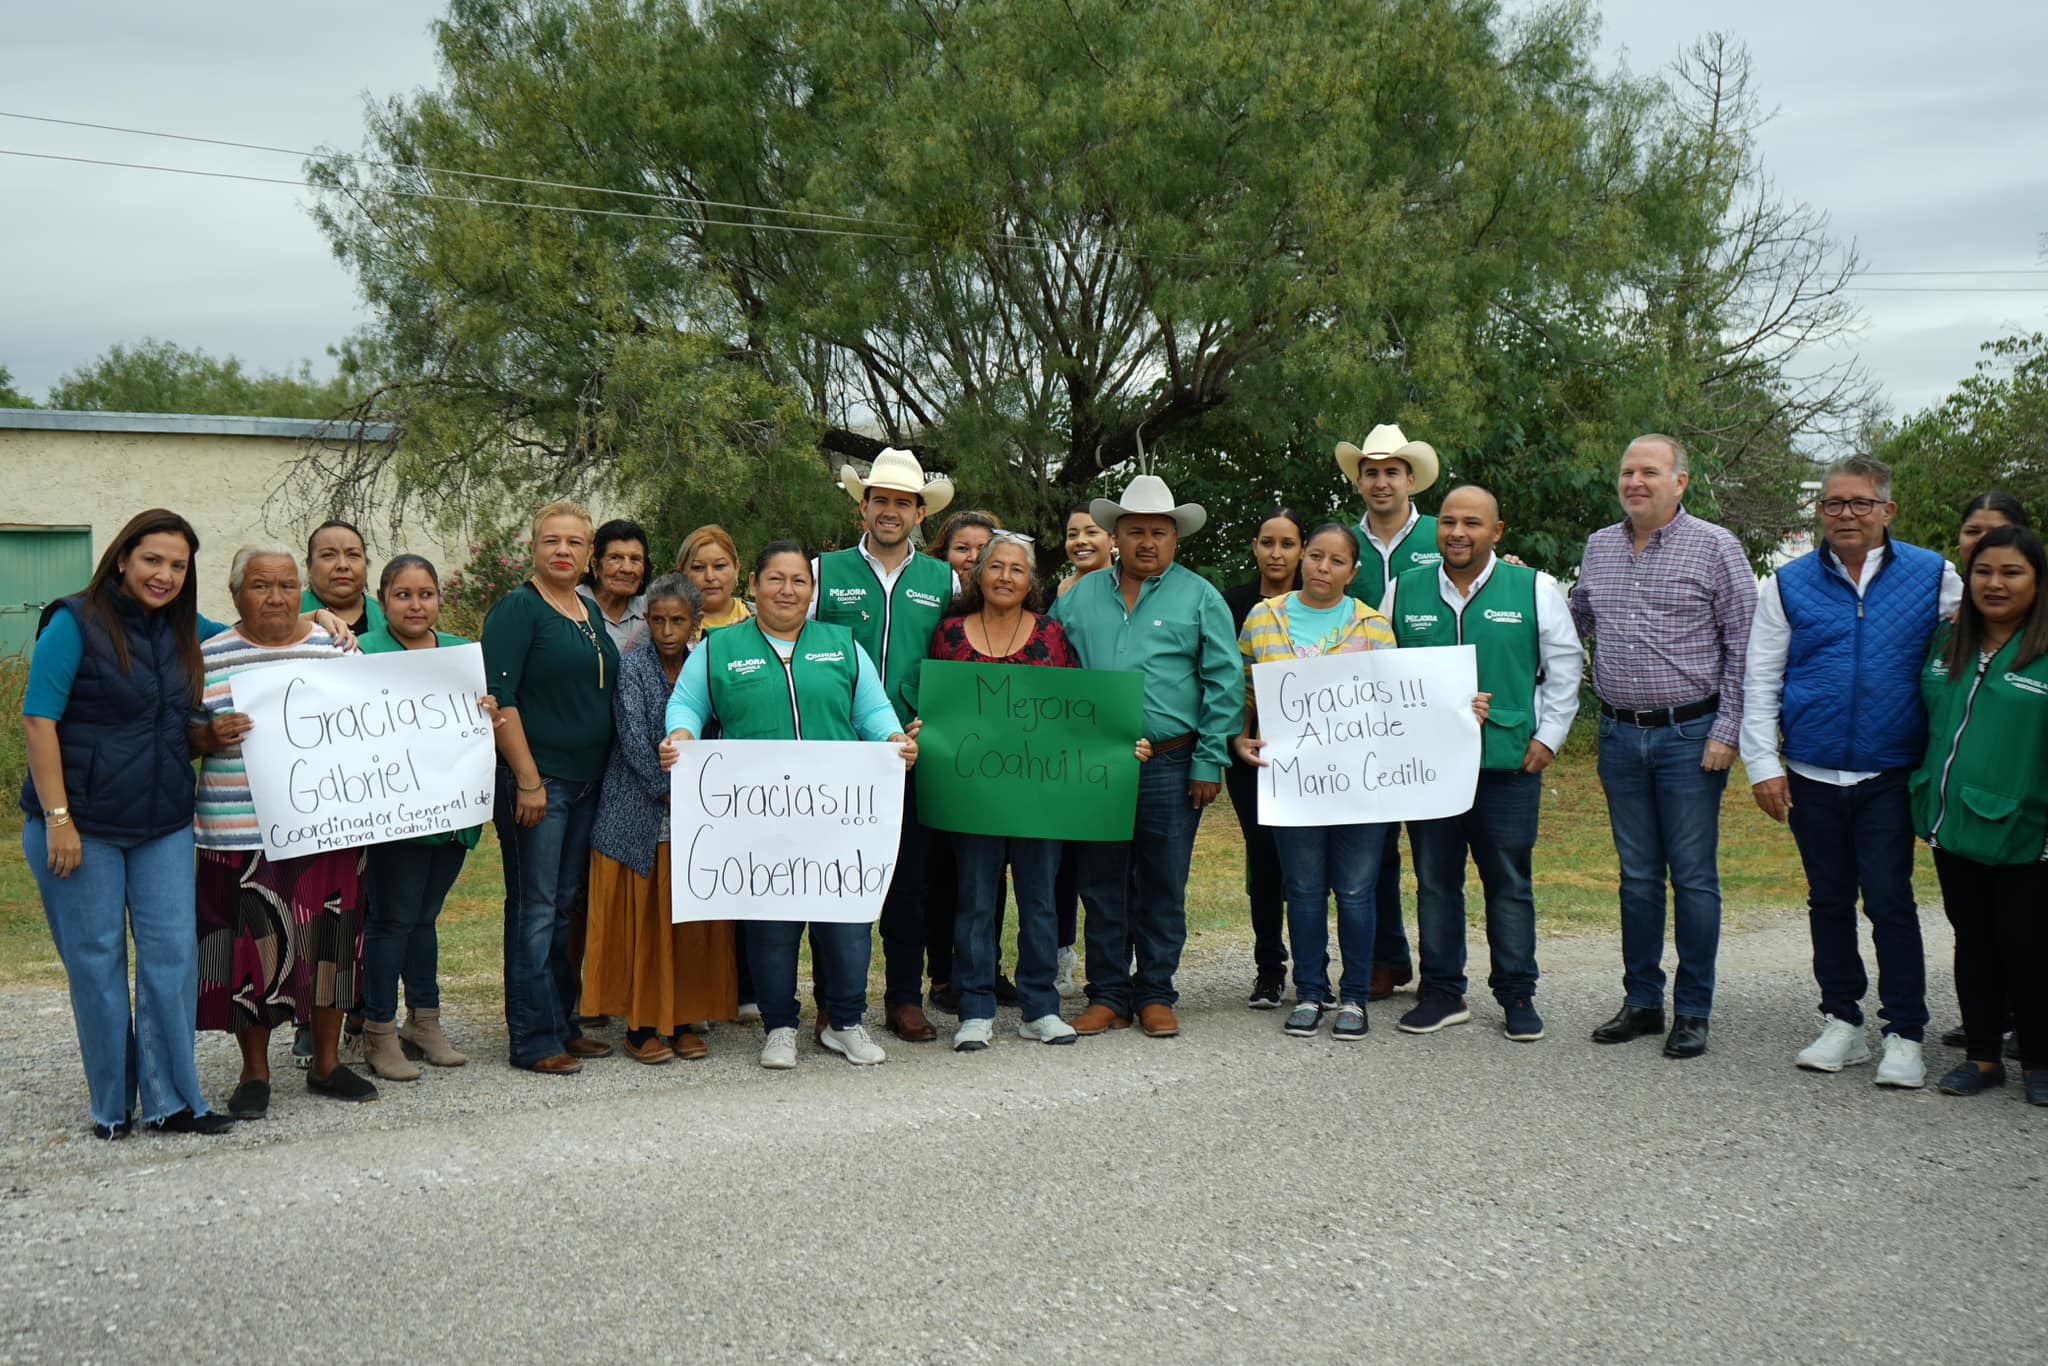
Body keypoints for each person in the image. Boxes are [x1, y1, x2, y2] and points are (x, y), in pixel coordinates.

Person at [1740, 457, 1959, 1089]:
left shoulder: (1934, 575)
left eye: (1861, 503)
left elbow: (1981, 643)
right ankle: (1843, 1021)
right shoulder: (1787, 584)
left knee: (1890, 902)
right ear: (1820, 512)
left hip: (1891, 772)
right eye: (1834, 504)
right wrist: (1763, 765)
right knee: (1828, 900)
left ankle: (1905, 1033)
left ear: (1887, 511)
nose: (1846, 515)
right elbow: (1761, 678)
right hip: (1811, 771)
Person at [660, 543, 919, 1070]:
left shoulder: (842, 644)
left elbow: (871, 708)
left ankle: (845, 1022)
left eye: (799, 580)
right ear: (753, 586)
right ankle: (779, 1025)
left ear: (812, 589)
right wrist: (680, 734)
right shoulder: (719, 647)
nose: (787, 590)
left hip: (836, 814)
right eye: (775, 579)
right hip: (760, 818)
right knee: (772, 928)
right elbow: (688, 703)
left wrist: (894, 738)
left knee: (846, 923)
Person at [18, 510, 234, 1139]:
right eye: (152, 560)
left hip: (163, 822)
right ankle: (112, 1107)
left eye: (178, 565)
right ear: (121, 559)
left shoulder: (187, 630)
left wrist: (320, 619)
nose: (164, 575)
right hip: (80, 826)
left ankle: (173, 1103)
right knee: (98, 961)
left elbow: (257, 635)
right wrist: (59, 819)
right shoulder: (73, 622)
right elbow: (39, 722)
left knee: (172, 960)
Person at [1571, 434, 1756, 1060]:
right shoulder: (1599, 547)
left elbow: (1745, 645)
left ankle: (1694, 1008)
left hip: (1689, 738)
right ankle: (1643, 1001)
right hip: (1620, 735)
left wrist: (1728, 731)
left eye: (1650, 471)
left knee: (1695, 878)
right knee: (1637, 878)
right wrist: (1526, 592)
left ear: (1680, 481)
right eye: (1627, 471)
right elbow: (1573, 625)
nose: (1635, 482)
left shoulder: (1716, 547)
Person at [929, 531, 1152, 1050]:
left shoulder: (1051, 635)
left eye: (1017, 569)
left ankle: (1039, 1007)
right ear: (979, 574)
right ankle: (976, 1009)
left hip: (1041, 800)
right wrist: (925, 730)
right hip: (974, 799)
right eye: (996, 566)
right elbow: (938, 709)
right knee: (975, 902)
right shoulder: (950, 635)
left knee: (1041, 902)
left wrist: (1121, 747)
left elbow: (1077, 714)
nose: (1006, 577)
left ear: (1031, 581)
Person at [1386, 487, 1582, 1041]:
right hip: (1430, 769)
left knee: (1509, 883)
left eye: (1472, 522)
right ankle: (1444, 992)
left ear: (1496, 532)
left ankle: (1517, 994)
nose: (1457, 532)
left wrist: (1549, 738)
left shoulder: (1534, 588)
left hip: (1508, 763)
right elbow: (1378, 671)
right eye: (1448, 521)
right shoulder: (1403, 589)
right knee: (1435, 882)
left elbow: (1565, 668)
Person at [1050, 471, 1241, 1038]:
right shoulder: (1079, 598)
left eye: (1159, 532)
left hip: (1173, 763)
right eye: (1135, 531)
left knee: (1162, 882)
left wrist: (1209, 761)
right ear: (1116, 535)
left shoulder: (1200, 596)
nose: (1147, 542)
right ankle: (1108, 994)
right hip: (1099, 765)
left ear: (1175, 538)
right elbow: (1052, 673)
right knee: (1101, 882)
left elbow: (1225, 682)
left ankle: (1156, 990)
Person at [191, 544, 377, 1114]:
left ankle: (327, 1063)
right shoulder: (207, 657)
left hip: (329, 830)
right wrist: (209, 736)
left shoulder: (337, 649)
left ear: (305, 591)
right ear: (235, 594)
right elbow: (180, 737)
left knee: (331, 947)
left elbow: (379, 723)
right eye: (260, 586)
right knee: (250, 953)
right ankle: (255, 1073)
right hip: (240, 834)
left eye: (287, 585)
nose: (276, 597)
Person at [811, 447, 959, 1043]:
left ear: (921, 513)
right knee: (832, 877)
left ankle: (903, 997)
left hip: (911, 752)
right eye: (881, 501)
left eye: (903, 502)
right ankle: (832, 999)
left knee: (909, 880)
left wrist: (935, 718)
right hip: (838, 750)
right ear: (862, 509)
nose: (891, 511)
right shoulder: (824, 571)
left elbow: (955, 658)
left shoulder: (943, 578)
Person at [1232, 523, 1398, 1040]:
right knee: (1302, 890)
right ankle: (1308, 991)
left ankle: (1353, 999)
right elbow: (1243, 686)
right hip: (1291, 780)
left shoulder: (1373, 627)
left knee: (1354, 890)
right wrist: (1240, 736)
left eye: (1336, 561)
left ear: (1353, 570)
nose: (1323, 568)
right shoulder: (1264, 619)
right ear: (1303, 558)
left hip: (1359, 784)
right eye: (1317, 557)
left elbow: (1400, 703)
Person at [483, 502, 622, 1075]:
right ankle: (533, 1037)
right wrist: (528, 779)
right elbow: (499, 698)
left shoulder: (587, 610)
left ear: (589, 553)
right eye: (551, 541)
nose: (562, 550)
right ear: (534, 549)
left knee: (565, 910)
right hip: (540, 785)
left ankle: (563, 1024)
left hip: (587, 784)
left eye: (574, 542)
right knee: (535, 909)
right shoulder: (518, 610)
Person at [1913, 525, 2048, 1105]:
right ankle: (1983, 1057)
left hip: (2028, 829)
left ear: (2038, 582)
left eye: (2012, 572)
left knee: (2029, 944)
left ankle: (2040, 1063)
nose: (1994, 583)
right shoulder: (1949, 641)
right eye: (1984, 571)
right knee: (1973, 940)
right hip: (1955, 824)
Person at [584, 574, 736, 1063]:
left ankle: (686, 1017)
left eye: (677, 620)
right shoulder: (632, 667)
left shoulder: (708, 664)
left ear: (697, 621)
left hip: (698, 814)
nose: (667, 630)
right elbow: (631, 736)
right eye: (657, 620)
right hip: (638, 812)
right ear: (646, 620)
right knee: (645, 922)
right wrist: (668, 789)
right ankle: (641, 1025)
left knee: (689, 918)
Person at [354, 555, 494, 1080]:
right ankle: (379, 1030)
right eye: (403, 595)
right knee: (391, 919)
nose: (416, 605)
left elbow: (483, 719)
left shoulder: (462, 653)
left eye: (427, 594)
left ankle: (425, 1020)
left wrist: (486, 711)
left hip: (453, 812)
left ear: (439, 598)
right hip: (396, 815)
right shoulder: (363, 651)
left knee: (425, 917)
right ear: (382, 599)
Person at [1335, 425, 1445, 1003]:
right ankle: (1385, 957)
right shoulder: (1340, 543)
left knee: (1432, 848)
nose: (1381, 481)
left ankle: (1441, 968)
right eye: (1371, 472)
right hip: (1358, 718)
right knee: (1371, 848)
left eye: (1391, 471)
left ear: (1410, 479)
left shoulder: (1440, 533)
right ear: (1360, 481)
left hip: (1427, 715)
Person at [1938, 492, 2029, 1054]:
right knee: (1976, 929)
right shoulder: (1948, 625)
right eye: (1973, 534)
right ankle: (1988, 1026)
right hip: (1959, 809)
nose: (1981, 546)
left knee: (2026, 931)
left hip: (2025, 813)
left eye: (1996, 535)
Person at [923, 508, 1007, 1013]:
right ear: (943, 554)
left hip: (1003, 766)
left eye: (983, 549)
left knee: (988, 875)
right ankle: (943, 974)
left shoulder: (1020, 608)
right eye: (962, 549)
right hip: (942, 757)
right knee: (941, 871)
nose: (973, 558)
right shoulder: (936, 615)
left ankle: (986, 969)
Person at [1221, 508, 1305, 1010]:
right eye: (1268, 543)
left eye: (1288, 544)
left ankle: (1314, 969)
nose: (1277, 553)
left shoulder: (1324, 604)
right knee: (1265, 860)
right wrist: (1237, 735)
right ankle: (1269, 969)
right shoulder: (1231, 603)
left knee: (1309, 865)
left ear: (1302, 550)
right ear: (1254, 546)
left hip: (1313, 757)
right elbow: (1226, 680)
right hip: (1249, 754)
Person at [301, 520, 386, 638]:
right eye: (328, 555)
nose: (342, 565)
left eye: (353, 555)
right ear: (309, 566)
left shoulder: (388, 617)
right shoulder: (287, 611)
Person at [581, 519, 652, 655]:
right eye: (615, 558)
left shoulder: (652, 610)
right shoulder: (572, 606)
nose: (627, 569)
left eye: (635, 559)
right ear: (595, 564)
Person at [676, 524, 754, 641]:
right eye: (698, 568)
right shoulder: (664, 626)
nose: (710, 577)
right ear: (681, 574)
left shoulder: (764, 618)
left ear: (736, 569)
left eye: (719, 566)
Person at [1057, 503, 1113, 599]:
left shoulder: (1131, 591)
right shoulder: (1049, 598)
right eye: (1072, 535)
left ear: (1113, 539)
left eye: (1091, 532)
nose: (1080, 541)